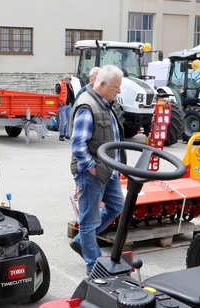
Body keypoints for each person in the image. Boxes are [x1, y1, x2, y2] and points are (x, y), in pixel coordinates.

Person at [68, 65, 126, 276]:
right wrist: (92, 168)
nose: (118, 91)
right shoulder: (87, 105)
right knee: (88, 221)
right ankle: (93, 265)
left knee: (116, 206)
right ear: (101, 84)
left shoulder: (105, 103)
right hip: (93, 173)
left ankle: (80, 242)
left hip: (109, 170)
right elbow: (77, 145)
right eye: (116, 87)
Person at [56, 74, 75, 141]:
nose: (70, 80)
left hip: (68, 105)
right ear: (65, 79)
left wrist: (72, 102)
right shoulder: (59, 85)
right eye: (69, 79)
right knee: (63, 120)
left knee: (69, 119)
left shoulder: (69, 86)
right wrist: (60, 103)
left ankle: (67, 134)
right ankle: (61, 135)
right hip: (62, 105)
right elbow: (57, 95)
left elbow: (72, 95)